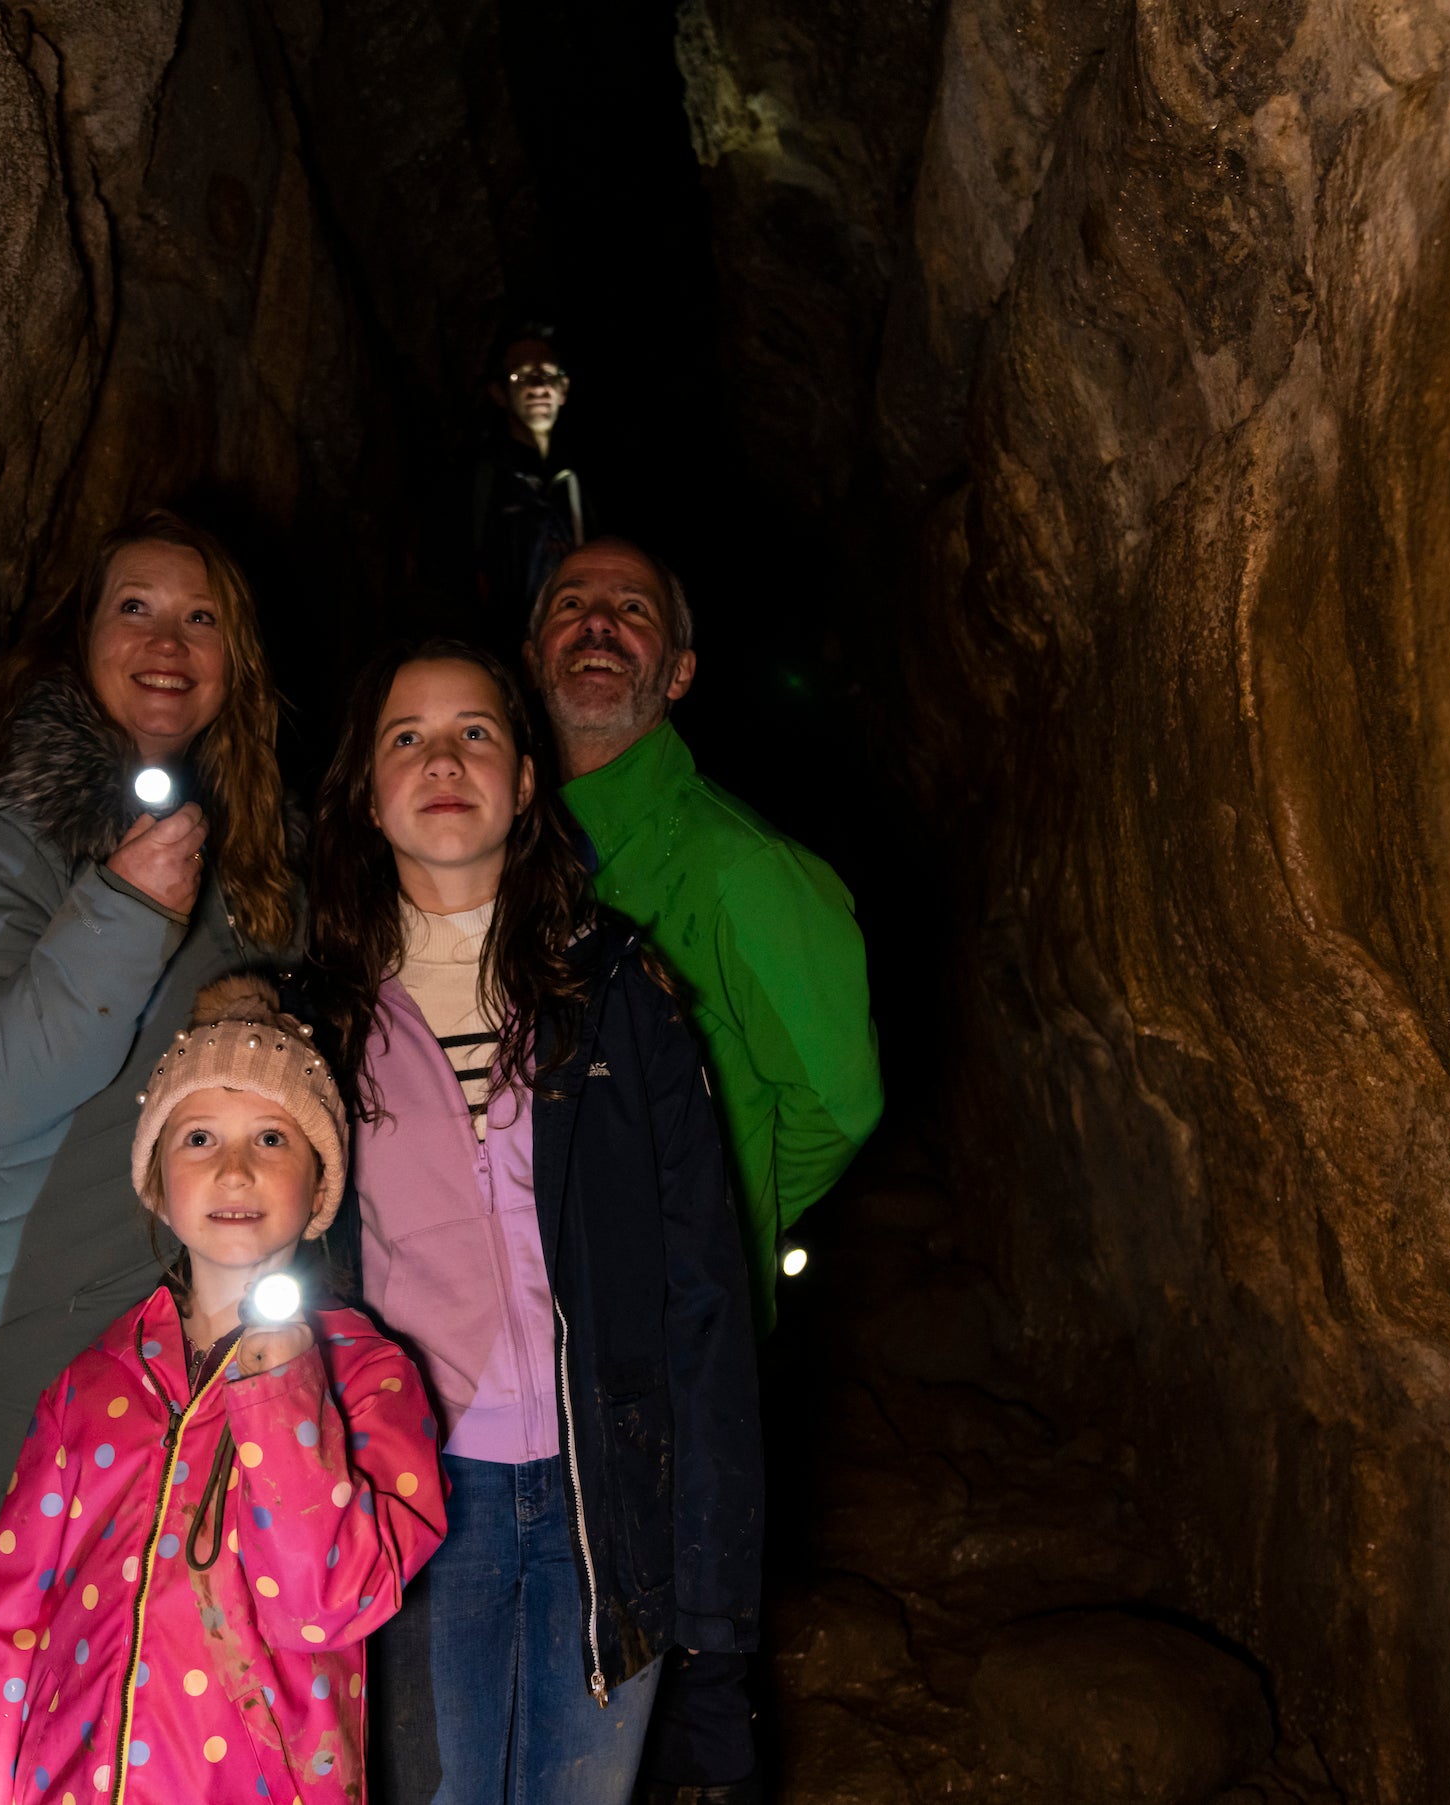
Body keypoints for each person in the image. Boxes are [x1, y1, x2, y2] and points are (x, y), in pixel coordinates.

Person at [307, 640, 762, 1805]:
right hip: (414, 1502)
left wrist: (713, 1590)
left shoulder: (616, 992)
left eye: (476, 731)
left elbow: (703, 1288)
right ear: (366, 788)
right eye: (406, 735)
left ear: (523, 781)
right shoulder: (318, 1023)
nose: (443, 757)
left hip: (602, 1493)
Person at [525, 540, 884, 1804]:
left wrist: (718, 1224)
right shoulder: (497, 857)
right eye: (571, 605)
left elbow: (838, 1101)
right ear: (532, 656)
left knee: (680, 1693)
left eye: (631, 612)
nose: (598, 624)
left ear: (678, 671)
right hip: (530, 1359)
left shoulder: (742, 869)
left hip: (677, 1365)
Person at [0, 509, 304, 1599]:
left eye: (200, 616)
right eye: (136, 608)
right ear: (81, 636)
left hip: (192, 1359)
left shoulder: (260, 847)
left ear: (237, 660)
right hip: (31, 1365)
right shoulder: (2, 829)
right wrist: (122, 912)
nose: (168, 642)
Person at [0, 972, 448, 1804]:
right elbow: (9, 1626)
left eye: (272, 1140)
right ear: (155, 1183)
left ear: (320, 1185)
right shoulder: (91, 1384)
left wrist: (280, 1390)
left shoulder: (373, 1380)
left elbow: (327, 1606)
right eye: (199, 1138)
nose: (235, 1170)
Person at [467, 327, 594, 653]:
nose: (538, 386)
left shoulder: (591, 478)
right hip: (504, 655)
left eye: (547, 374)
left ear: (564, 388)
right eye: (521, 377)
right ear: (498, 393)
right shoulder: (474, 481)